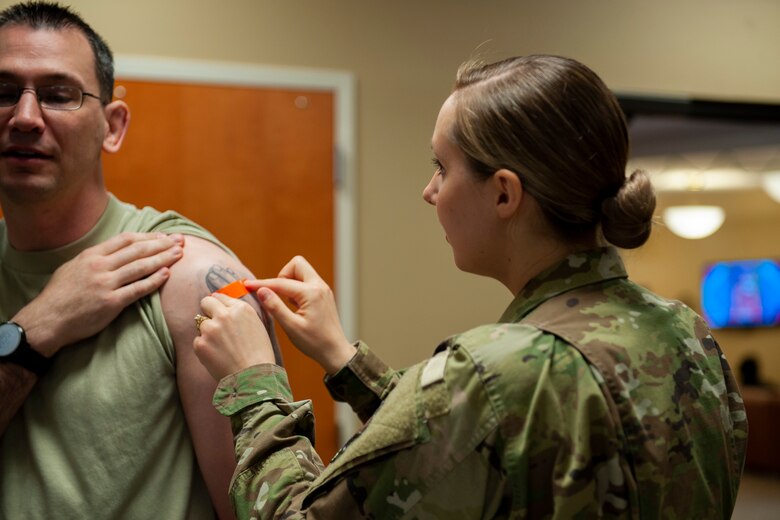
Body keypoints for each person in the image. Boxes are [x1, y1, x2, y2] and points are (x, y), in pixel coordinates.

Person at [193, 55, 748, 518]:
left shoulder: (488, 375)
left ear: (504, 194)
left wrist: (255, 386)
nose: (429, 191)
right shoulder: (687, 332)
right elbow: (472, 446)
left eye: (442, 166)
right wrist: (341, 359)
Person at [0, 2, 280, 518]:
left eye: (59, 95)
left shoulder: (188, 276)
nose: (24, 117)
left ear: (113, 126)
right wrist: (39, 325)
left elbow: (258, 511)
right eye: (2, 93)